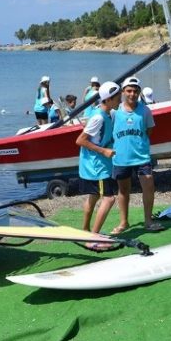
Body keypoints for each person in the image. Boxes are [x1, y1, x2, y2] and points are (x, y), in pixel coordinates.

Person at [111, 76, 164, 234]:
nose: (132, 94)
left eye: (135, 91)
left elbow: (148, 131)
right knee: (123, 190)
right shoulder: (114, 112)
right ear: (123, 92)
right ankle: (123, 222)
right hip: (121, 158)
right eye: (129, 91)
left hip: (142, 157)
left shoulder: (145, 111)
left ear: (139, 92)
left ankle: (148, 221)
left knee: (148, 186)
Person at [76, 81, 122, 251]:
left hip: (97, 165)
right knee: (109, 199)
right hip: (98, 166)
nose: (120, 100)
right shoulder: (98, 117)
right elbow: (80, 140)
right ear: (108, 99)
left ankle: (86, 231)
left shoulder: (108, 113)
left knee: (93, 197)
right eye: (118, 98)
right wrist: (103, 151)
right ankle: (92, 239)